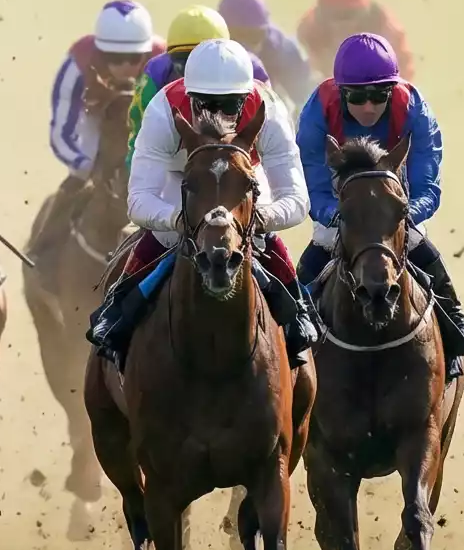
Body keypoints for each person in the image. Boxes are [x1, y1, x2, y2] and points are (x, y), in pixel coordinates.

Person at [89, 39, 314, 365]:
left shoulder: (269, 108)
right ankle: (117, 312)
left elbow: (296, 198)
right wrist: (179, 221)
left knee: (262, 236)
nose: (218, 115)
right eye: (207, 104)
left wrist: (255, 219)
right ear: (190, 97)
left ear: (247, 97)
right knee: (165, 235)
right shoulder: (164, 110)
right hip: (180, 178)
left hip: (241, 179)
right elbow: (139, 201)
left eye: (229, 105)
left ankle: (299, 313)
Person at [293, 33, 464, 376]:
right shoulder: (318, 111)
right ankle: (295, 328)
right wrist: (339, 216)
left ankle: (455, 325)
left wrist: (401, 214)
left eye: (379, 96)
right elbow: (313, 188)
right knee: (318, 248)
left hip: (394, 193)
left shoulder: (413, 107)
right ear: (340, 91)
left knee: (419, 243)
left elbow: (427, 187)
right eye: (357, 97)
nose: (368, 107)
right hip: (341, 196)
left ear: (392, 90)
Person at [48, 0, 160, 181]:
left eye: (134, 58)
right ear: (99, 52)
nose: (125, 67)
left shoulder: (165, 63)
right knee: (84, 168)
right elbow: (61, 133)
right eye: (115, 58)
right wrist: (83, 166)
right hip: (95, 119)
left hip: (151, 125)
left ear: (147, 53)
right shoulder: (77, 64)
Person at [128, 6, 270, 144]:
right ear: (169, 55)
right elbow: (140, 132)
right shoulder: (156, 72)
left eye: (206, 61)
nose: (193, 70)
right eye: (184, 61)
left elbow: (270, 133)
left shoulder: (251, 70)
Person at [297, 0, 415, 82]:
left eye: (349, 15)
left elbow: (404, 74)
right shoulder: (309, 30)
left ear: (364, 13)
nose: (342, 25)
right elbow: (300, 77)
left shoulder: (386, 29)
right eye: (335, 16)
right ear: (321, 14)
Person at [217, 0, 313, 90]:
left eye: (254, 36)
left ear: (265, 33)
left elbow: (304, 96)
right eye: (237, 36)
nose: (245, 46)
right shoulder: (209, 52)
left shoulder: (282, 52)